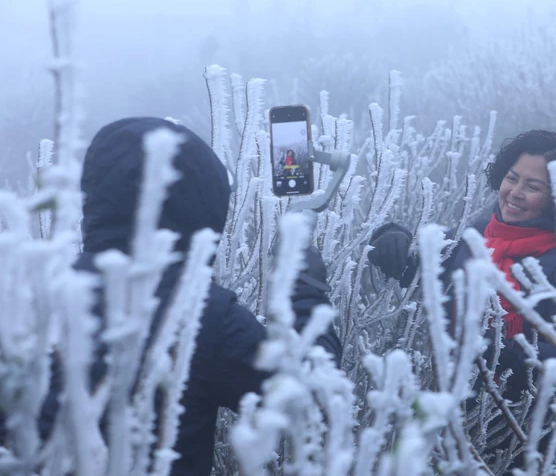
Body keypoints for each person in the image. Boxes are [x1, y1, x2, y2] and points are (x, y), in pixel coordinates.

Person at [6, 117, 342, 476]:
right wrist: (300, 272)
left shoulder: (27, 303)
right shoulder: (203, 315)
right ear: (201, 204)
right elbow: (311, 390)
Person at [368, 129, 556, 467]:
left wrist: (497, 350)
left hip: (527, 442)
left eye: (533, 186)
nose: (515, 192)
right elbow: (418, 259)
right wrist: (391, 236)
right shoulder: (477, 237)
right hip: (452, 426)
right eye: (513, 178)